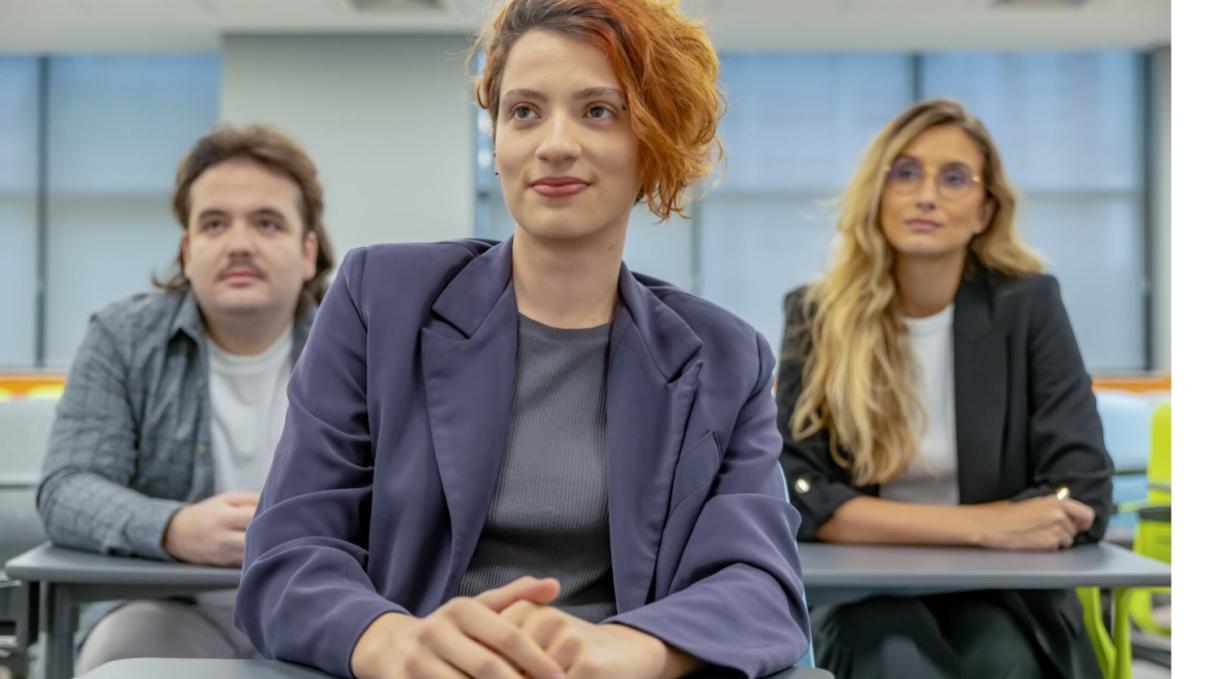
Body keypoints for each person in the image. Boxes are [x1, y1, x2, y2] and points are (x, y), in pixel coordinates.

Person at [234, 1, 810, 678]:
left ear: (654, 138)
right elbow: (287, 553)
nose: (554, 143)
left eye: (599, 110)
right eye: (524, 111)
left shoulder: (725, 358)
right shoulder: (378, 297)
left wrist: (632, 647)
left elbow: (763, 587)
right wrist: (389, 639)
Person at [776, 98, 1114, 679]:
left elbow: (1080, 490)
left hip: (1004, 591)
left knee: (1003, 660)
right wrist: (990, 527)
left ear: (985, 210)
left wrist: (862, 517)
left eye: (954, 178)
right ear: (876, 194)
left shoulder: (1028, 307)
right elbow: (800, 493)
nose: (926, 194)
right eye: (905, 172)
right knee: (895, 658)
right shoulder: (817, 315)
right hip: (863, 595)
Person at [37, 124, 335, 671]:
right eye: (215, 223)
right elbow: (66, 489)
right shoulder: (122, 338)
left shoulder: (358, 344)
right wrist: (171, 529)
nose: (240, 243)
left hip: (321, 610)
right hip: (166, 611)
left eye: (267, 223)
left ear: (307, 251)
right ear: (188, 250)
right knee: (118, 659)